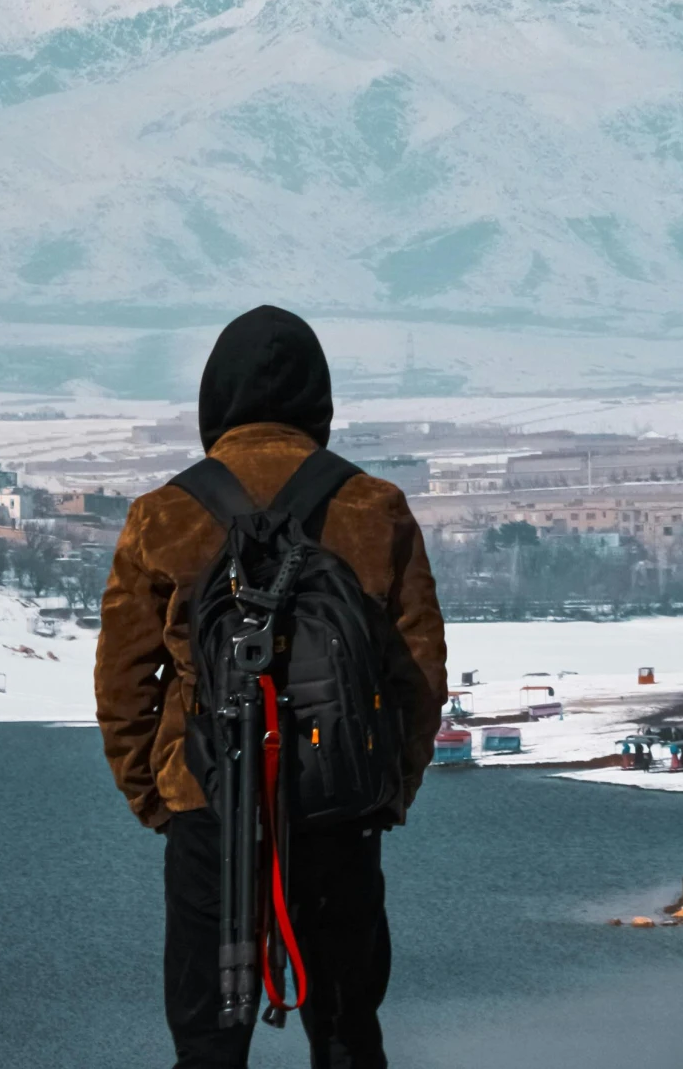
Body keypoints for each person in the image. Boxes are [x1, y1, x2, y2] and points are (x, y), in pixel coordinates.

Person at [95, 305, 447, 1069]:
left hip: (205, 801)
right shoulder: (373, 506)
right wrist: (387, 790)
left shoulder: (162, 514)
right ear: (318, 401)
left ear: (213, 400)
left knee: (206, 1038)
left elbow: (124, 682)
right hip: (338, 801)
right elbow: (417, 672)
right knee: (348, 1028)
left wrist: (160, 797)